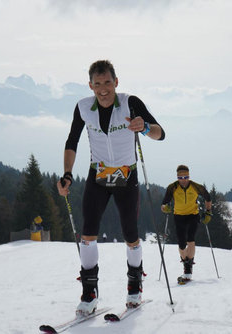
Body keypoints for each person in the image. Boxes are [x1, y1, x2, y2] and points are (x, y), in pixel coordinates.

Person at [57, 60, 165, 315]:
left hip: (127, 176)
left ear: (116, 82)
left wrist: (145, 127)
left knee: (130, 234)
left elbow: (161, 134)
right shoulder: (83, 107)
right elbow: (72, 141)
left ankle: (134, 286)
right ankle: (89, 292)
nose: (103, 89)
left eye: (107, 82)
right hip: (99, 176)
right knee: (88, 233)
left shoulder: (130, 103)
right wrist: (67, 175)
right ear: (90, 85)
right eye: (97, 84)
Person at [161, 165, 212, 282]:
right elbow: (163, 204)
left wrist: (208, 212)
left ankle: (188, 270)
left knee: (191, 239)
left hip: (193, 215)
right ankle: (186, 262)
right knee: (181, 244)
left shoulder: (196, 186)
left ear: (189, 176)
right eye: (180, 177)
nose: (183, 180)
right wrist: (166, 208)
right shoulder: (172, 187)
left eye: (186, 177)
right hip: (178, 216)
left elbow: (208, 198)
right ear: (177, 177)